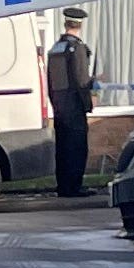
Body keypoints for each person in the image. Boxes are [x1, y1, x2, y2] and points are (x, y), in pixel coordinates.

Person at [45, 10, 99, 197]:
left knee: (63, 148)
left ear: (66, 23)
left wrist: (55, 104)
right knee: (77, 148)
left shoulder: (55, 48)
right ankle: (74, 187)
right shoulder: (78, 49)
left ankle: (63, 186)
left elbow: (50, 81)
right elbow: (80, 80)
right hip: (75, 107)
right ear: (81, 25)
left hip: (60, 107)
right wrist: (88, 103)